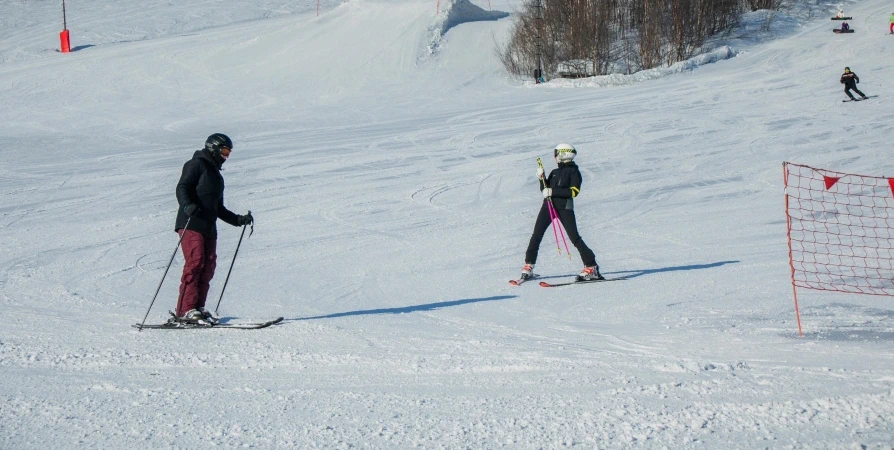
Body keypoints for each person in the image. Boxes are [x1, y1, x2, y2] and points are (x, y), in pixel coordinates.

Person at [173, 133, 253, 325]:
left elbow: (219, 209)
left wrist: (239, 220)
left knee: (208, 266)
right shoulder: (196, 164)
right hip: (191, 222)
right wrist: (187, 205)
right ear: (213, 148)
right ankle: (185, 310)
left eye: (229, 152)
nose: (226, 155)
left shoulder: (217, 176)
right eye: (225, 151)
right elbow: (182, 187)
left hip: (209, 226)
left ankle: (197, 308)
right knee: (195, 262)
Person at [520, 143, 603, 281]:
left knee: (574, 238)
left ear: (563, 154)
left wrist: (552, 191)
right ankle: (529, 265)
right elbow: (545, 190)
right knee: (536, 236)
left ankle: (591, 266)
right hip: (548, 207)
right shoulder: (555, 172)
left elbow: (573, 191)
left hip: (565, 208)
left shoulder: (574, 172)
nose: (555, 156)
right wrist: (541, 178)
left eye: (556, 153)